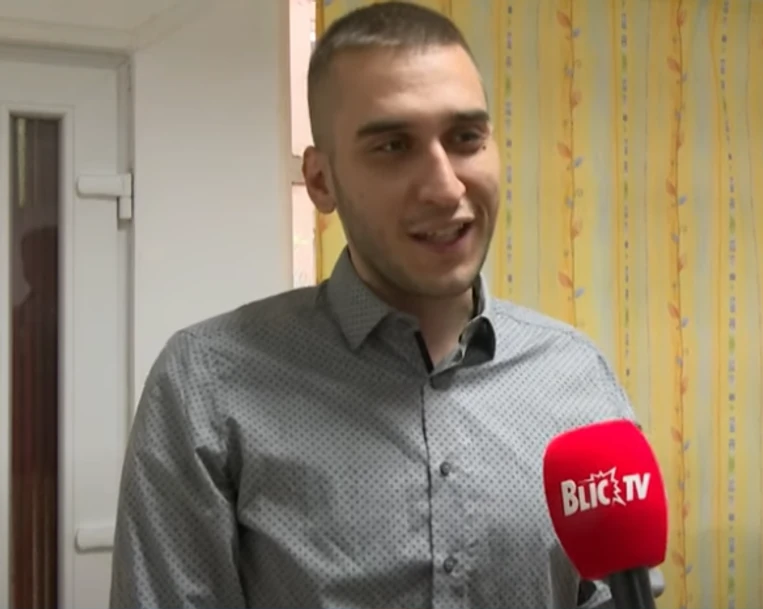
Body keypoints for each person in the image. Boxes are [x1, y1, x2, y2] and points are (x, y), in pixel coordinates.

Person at [109, 3, 664, 608]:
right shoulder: (207, 384)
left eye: (466, 138)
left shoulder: (577, 376)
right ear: (321, 181)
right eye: (394, 146)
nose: (446, 187)